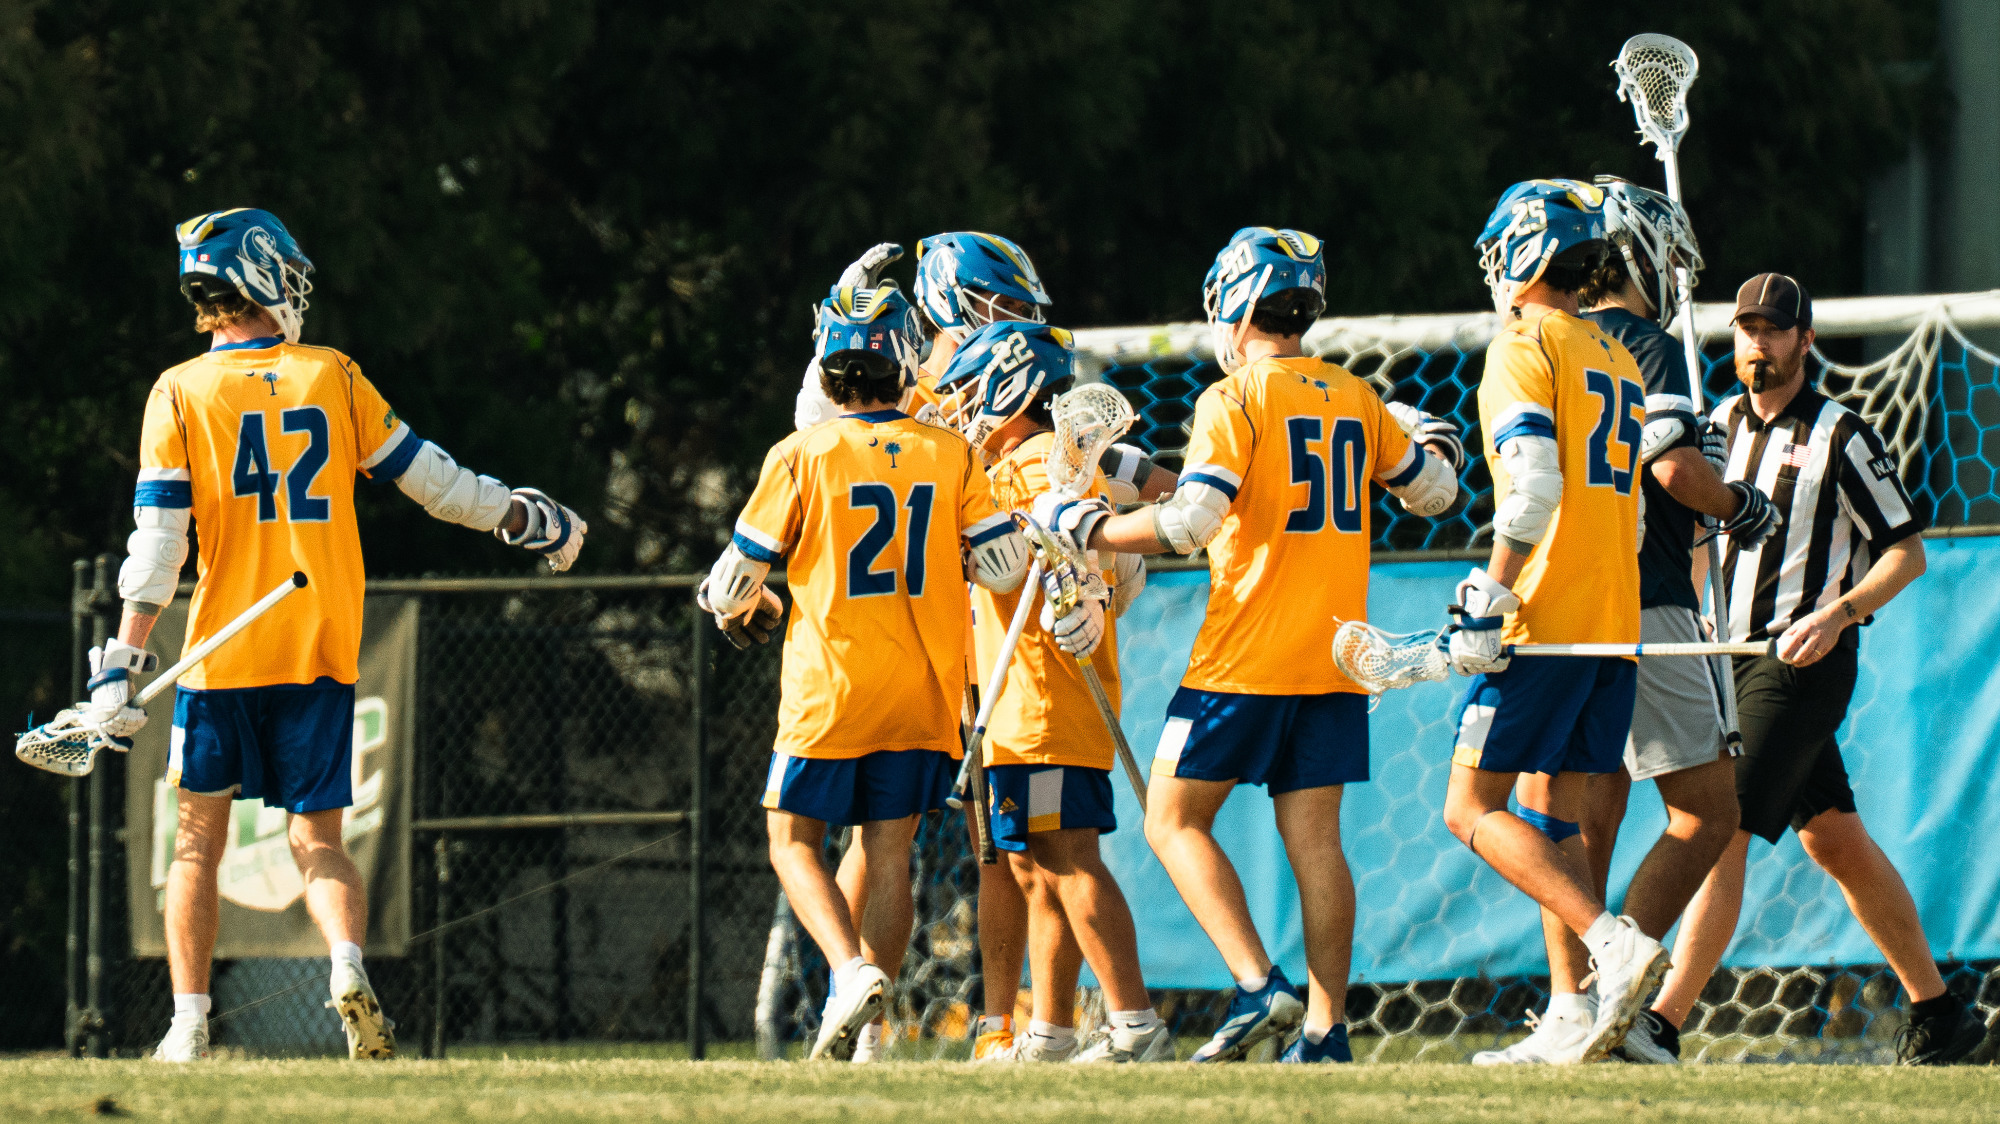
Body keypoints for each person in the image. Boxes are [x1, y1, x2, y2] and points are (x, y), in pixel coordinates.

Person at [87, 209, 585, 1062]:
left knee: (197, 844)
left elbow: (159, 545)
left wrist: (123, 661)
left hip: (222, 650)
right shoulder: (333, 375)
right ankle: (347, 967)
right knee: (318, 839)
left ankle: (188, 1023)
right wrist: (518, 514)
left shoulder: (178, 391)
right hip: (319, 642)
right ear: (262, 275)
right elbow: (434, 483)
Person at [1038, 226, 1462, 1063]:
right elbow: (1438, 492)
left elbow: (1193, 524)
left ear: (1234, 307)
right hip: (1337, 655)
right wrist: (1430, 438)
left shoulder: (1232, 400)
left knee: (1171, 820)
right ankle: (1327, 1029)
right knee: (1318, 844)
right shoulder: (1354, 396)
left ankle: (1257, 984)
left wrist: (1088, 524)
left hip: (1246, 655)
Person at [795, 237, 1169, 1061]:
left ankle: (1026, 1026)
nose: (1019, 323)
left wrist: (1112, 577)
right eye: (1003, 307)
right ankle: (877, 1017)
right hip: (936, 642)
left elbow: (1124, 494)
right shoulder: (916, 389)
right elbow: (820, 432)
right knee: (914, 839)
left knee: (1029, 854)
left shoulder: (1038, 432)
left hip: (1013, 663)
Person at [1649, 274, 1987, 1066]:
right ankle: (1940, 1012)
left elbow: (1906, 550)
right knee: (1834, 840)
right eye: (1745, 330)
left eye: (1773, 331)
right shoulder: (1715, 426)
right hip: (1722, 658)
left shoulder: (1842, 434)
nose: (1756, 345)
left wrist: (1837, 614)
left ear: (1806, 341)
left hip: (1800, 659)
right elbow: (1703, 539)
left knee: (1718, 825)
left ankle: (1658, 1024)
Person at [1483, 179, 1782, 1064]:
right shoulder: (1637, 347)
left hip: (1565, 601)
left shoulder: (1552, 341)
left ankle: (1577, 1004)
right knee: (1701, 810)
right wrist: (1737, 502)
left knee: (1569, 811)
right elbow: (1670, 471)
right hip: (1644, 598)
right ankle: (1612, 972)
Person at [700, 281, 1030, 1062]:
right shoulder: (950, 453)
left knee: (792, 841)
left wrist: (745, 607)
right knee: (890, 853)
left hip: (832, 685)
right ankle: (871, 1037)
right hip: (923, 690)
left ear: (827, 370)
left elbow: (730, 585)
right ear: (904, 363)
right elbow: (1005, 565)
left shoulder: (802, 454)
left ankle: (850, 976)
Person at [1438, 179, 1669, 1064]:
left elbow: (1532, 484)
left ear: (1523, 255)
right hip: (1613, 616)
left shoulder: (1525, 340)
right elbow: (1639, 516)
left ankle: (1612, 945)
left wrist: (1493, 587)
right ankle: (1572, 1009)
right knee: (1559, 817)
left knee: (1470, 806)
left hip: (1547, 616)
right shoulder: (1614, 353)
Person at [931, 321, 1169, 1063]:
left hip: (1045, 698)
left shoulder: (1041, 464)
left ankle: (1134, 1021)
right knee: (1036, 869)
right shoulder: (1010, 465)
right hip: (1015, 707)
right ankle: (1052, 1030)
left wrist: (1088, 596)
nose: (964, 407)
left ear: (1009, 388)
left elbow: (1074, 558)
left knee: (1069, 858)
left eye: (974, 392)